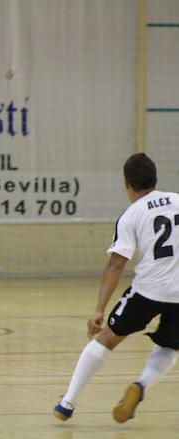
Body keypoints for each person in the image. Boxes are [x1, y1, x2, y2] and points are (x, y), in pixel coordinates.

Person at [54, 153, 179, 423]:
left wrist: (99, 310)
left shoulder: (132, 214)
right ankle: (141, 386)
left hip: (148, 290)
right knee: (170, 347)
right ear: (156, 179)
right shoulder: (178, 200)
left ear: (126, 184)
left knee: (108, 337)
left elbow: (116, 264)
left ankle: (68, 401)